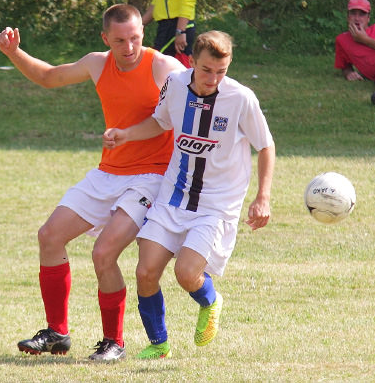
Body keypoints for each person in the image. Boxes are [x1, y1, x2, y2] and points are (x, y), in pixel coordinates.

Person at [0, 4, 185, 361]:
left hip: (151, 177)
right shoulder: (97, 63)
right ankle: (57, 333)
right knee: (49, 236)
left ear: (142, 34)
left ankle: (114, 342)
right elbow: (49, 76)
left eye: (135, 39)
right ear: (105, 39)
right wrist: (13, 52)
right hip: (108, 172)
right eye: (119, 41)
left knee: (104, 253)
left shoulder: (163, 67)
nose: (128, 48)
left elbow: (200, 90)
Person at [103, 30, 275, 360]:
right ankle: (159, 344)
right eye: (207, 70)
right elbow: (160, 121)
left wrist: (263, 197)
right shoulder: (176, 84)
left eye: (221, 72)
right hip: (174, 196)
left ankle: (210, 301)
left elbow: (266, 146)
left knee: (186, 273)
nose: (213, 79)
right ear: (192, 61)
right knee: (145, 272)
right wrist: (126, 135)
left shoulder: (240, 98)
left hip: (215, 205)